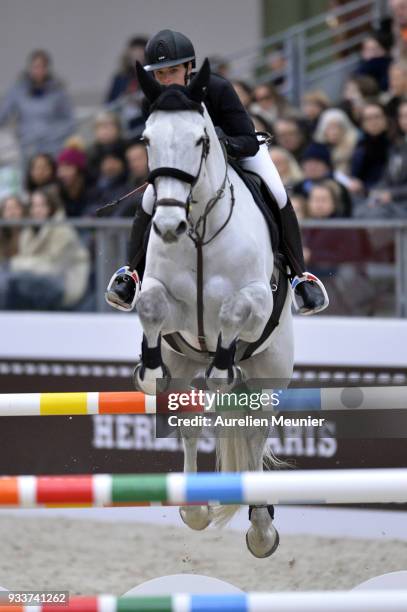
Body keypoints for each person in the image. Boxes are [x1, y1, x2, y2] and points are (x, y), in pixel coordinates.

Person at [105, 29, 329, 315]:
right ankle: (131, 274)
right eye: (159, 74)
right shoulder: (152, 99)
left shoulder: (217, 88)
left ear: (189, 68)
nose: (165, 80)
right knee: (150, 198)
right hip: (185, 167)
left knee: (275, 189)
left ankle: (299, 276)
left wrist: (218, 145)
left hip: (238, 152)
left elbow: (248, 140)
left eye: (172, 71)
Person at [6, 186, 90, 310]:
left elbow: (52, 267)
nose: (37, 210)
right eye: (34, 206)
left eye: (42, 205)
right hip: (37, 284)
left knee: (13, 281)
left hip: (65, 287)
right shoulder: (28, 231)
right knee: (9, 282)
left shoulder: (63, 231)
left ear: (52, 207)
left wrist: (15, 264)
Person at [0, 49, 74, 165]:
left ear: (47, 69)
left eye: (42, 67)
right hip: (28, 146)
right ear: (30, 68)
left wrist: (54, 135)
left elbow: (69, 120)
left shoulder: (58, 91)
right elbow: (3, 115)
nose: (39, 71)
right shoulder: (18, 90)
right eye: (35, 67)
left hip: (52, 147)